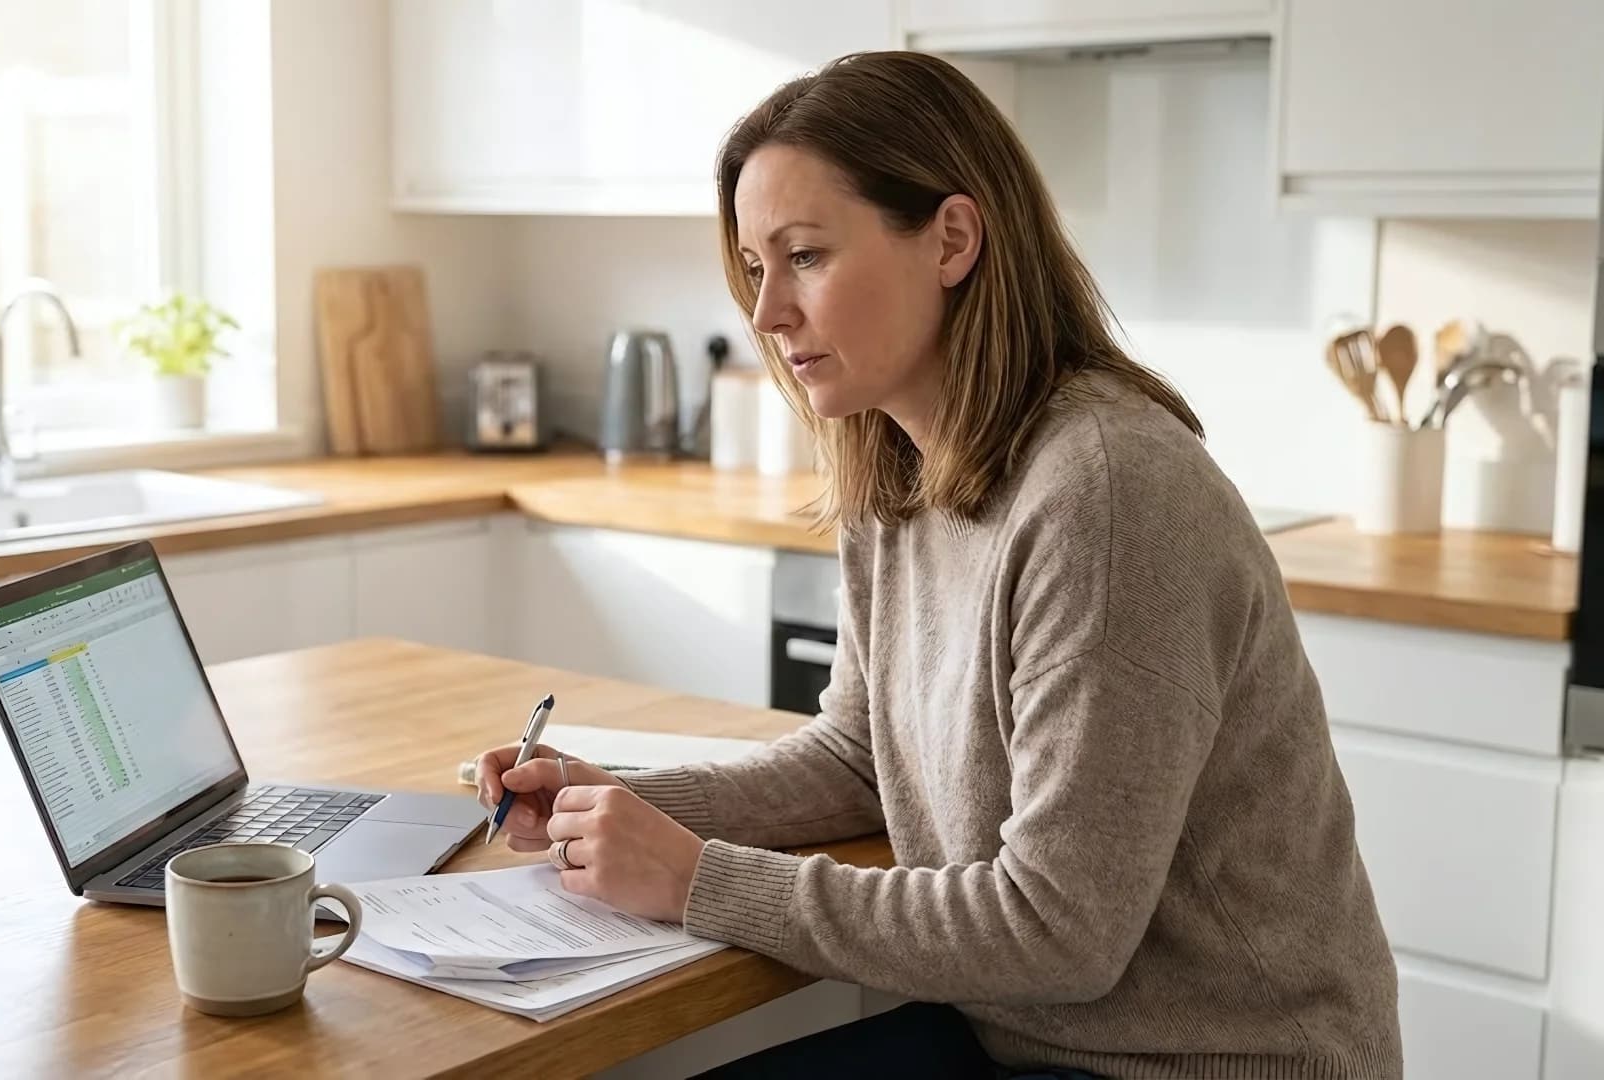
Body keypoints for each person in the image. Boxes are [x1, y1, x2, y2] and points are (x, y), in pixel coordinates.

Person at [475, 50, 1400, 1079]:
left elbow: (1059, 928)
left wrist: (699, 878)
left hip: (1209, 1062)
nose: (766, 313)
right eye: (753, 267)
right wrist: (624, 805)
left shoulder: (1106, 490)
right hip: (1030, 1039)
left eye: (806, 257)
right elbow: (861, 758)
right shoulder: (898, 459)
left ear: (951, 239)